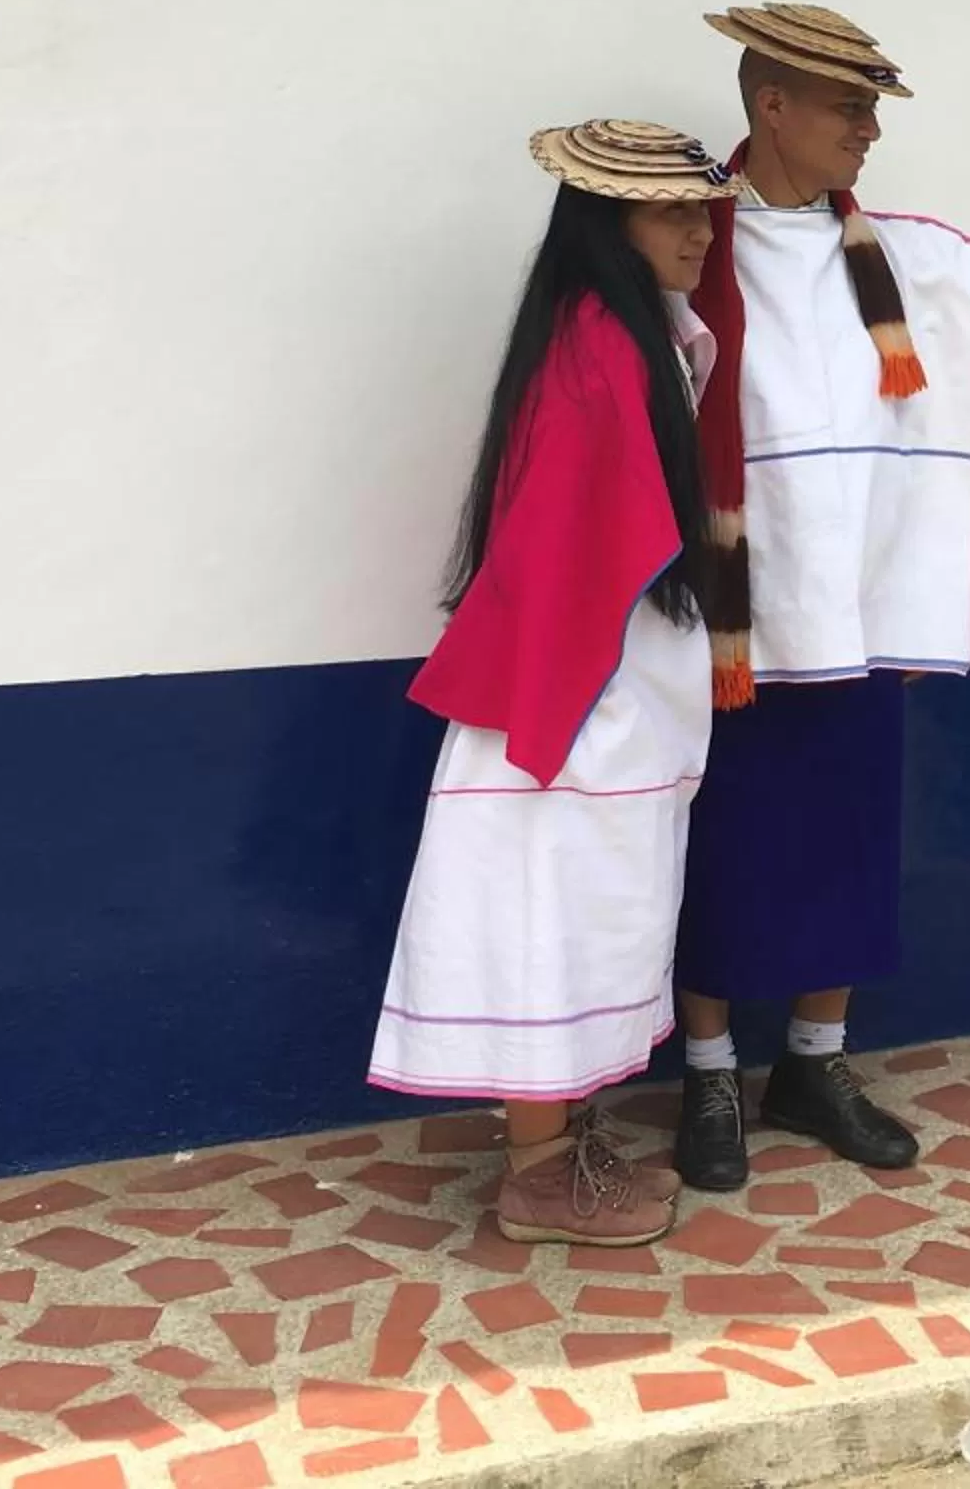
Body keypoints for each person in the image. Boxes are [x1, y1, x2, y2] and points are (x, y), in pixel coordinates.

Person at [368, 119, 737, 1248]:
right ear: (606, 224)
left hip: (604, 687)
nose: (696, 228)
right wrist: (579, 709)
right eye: (668, 210)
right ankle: (536, 1171)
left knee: (590, 915)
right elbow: (582, 545)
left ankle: (564, 1143)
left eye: (698, 206)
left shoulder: (636, 337)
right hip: (577, 695)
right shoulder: (599, 347)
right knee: (551, 915)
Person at [671, 4, 970, 1192]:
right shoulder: (687, 242)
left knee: (850, 834)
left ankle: (814, 1062)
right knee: (718, 837)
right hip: (734, 610)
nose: (869, 129)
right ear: (773, 105)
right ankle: (709, 1070)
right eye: (848, 106)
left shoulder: (899, 259)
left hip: (857, 601)